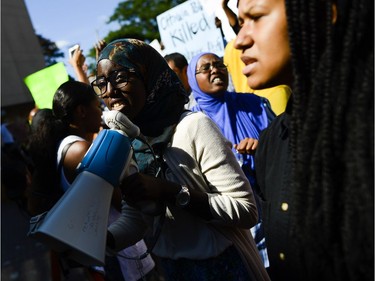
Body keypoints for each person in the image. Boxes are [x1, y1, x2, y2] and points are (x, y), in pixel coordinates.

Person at [92, 38, 270, 281]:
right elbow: (136, 219)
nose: (109, 92)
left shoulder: (194, 127)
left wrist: (172, 192)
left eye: (121, 77)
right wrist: (99, 239)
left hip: (225, 269)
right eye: (101, 83)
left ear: (149, 76)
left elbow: (246, 211)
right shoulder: (128, 142)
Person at [234, 0, 373, 280]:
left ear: (326, 14)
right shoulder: (272, 143)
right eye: (240, 24)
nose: (240, 40)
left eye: (257, 18)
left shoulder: (363, 129)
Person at [27, 81, 156, 281]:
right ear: (81, 111)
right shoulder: (80, 150)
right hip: (119, 249)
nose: (101, 112)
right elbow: (120, 201)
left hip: (104, 246)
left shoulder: (67, 146)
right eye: (97, 106)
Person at [187, 51, 273, 268]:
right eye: (205, 68)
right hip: (231, 225)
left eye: (219, 64)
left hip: (271, 210)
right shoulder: (190, 125)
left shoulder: (255, 105)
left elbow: (285, 145)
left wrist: (262, 146)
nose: (215, 70)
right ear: (192, 79)